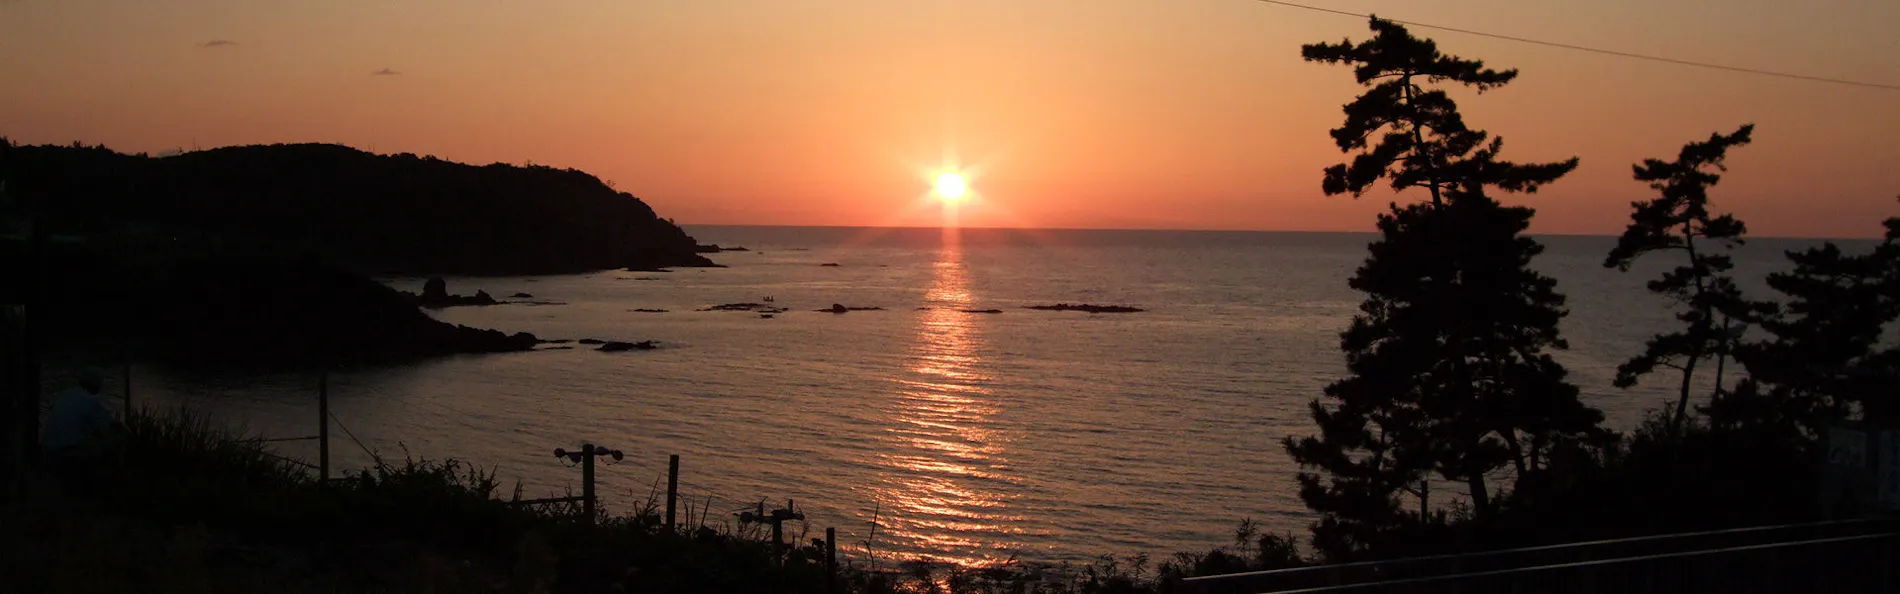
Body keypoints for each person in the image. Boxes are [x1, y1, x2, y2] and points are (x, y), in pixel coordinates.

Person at [40, 366, 120, 495]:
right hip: (66, 454)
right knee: (109, 445)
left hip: (46, 451)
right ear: (96, 384)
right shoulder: (92, 401)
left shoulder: (64, 395)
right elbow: (110, 427)